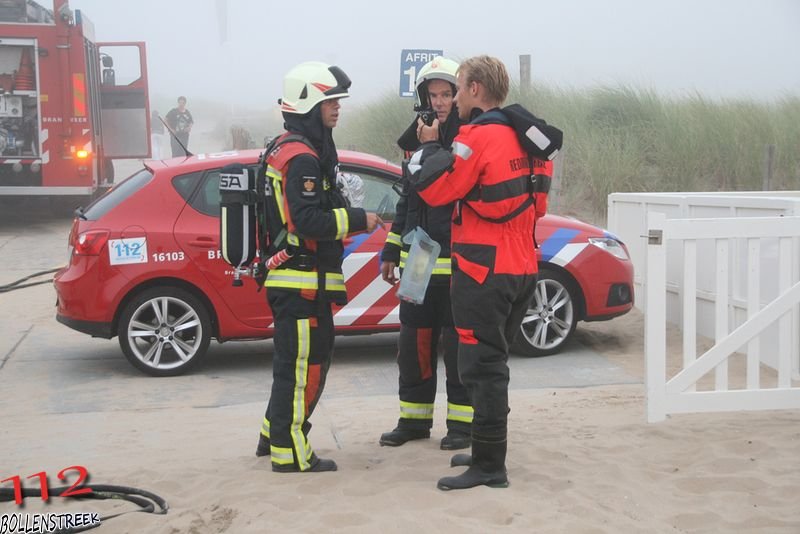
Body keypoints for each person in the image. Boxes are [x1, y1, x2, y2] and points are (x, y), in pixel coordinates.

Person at [408, 55, 562, 490]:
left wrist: (427, 149)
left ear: (476, 89)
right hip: (523, 265)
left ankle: (491, 466)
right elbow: (539, 204)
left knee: (482, 367)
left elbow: (439, 191)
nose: (453, 98)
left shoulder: (478, 136)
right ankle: (482, 449)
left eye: (456, 88)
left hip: (483, 271)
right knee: (494, 363)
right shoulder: (533, 138)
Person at [254, 61, 384, 473]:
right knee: (304, 368)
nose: (337, 109)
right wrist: (358, 220)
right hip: (301, 284)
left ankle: (270, 436)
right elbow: (308, 221)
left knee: (291, 366)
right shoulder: (303, 159)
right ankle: (290, 454)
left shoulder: (287, 148)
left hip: (299, 281)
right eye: (331, 101)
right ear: (309, 102)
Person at [378, 57, 473, 451]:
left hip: (456, 259)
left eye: (446, 94)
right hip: (418, 257)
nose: (439, 102)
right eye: (432, 95)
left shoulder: (468, 138)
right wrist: (390, 247)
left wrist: (434, 146)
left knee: (455, 347)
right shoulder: (417, 139)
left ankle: (461, 427)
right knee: (413, 342)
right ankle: (413, 422)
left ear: (458, 95)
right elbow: (408, 201)